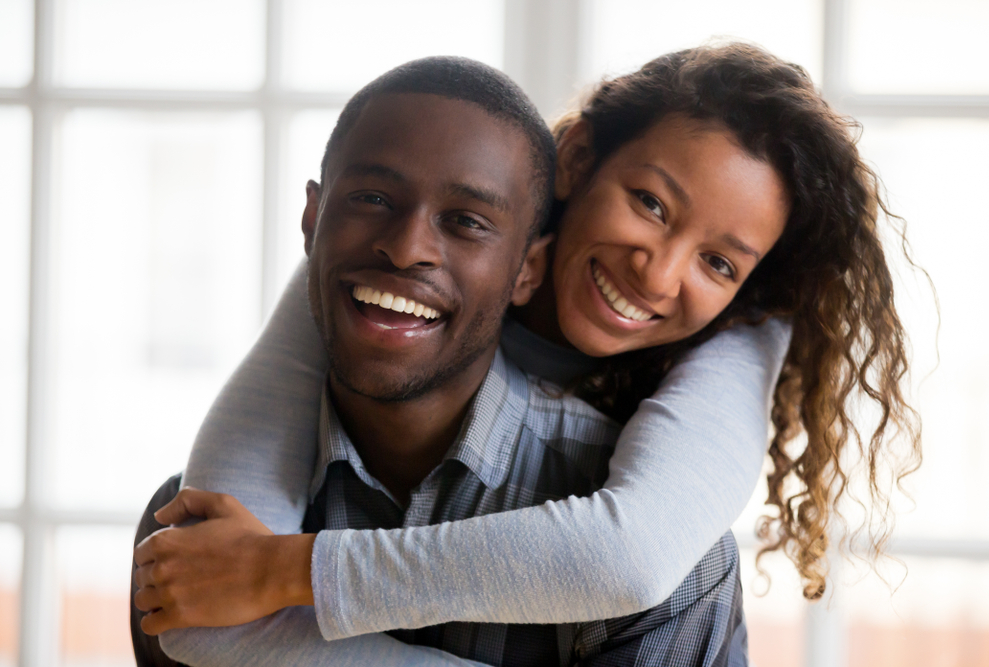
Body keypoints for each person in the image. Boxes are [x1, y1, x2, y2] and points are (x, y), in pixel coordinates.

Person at [134, 43, 921, 664]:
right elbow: (205, 601)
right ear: (576, 162)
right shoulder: (399, 264)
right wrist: (244, 572)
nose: (660, 268)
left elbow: (633, 555)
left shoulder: (735, 343)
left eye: (720, 261)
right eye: (650, 203)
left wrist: (288, 571)